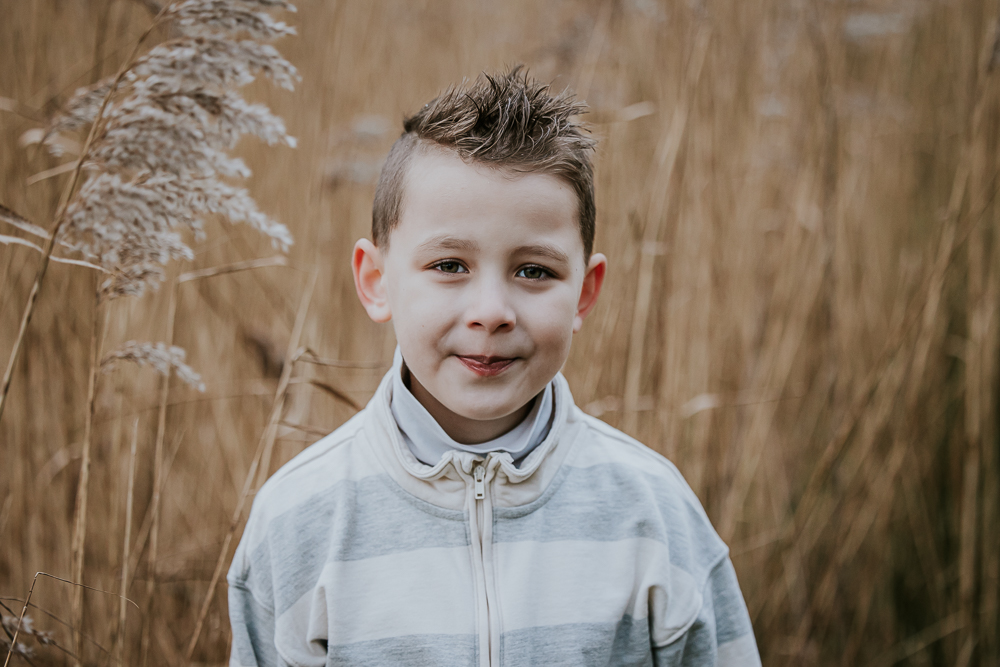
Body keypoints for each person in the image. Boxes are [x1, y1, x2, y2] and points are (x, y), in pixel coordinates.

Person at [227, 66, 761, 667]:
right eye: (450, 265)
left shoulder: (652, 512)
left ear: (584, 292)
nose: (491, 312)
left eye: (534, 271)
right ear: (376, 282)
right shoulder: (300, 519)